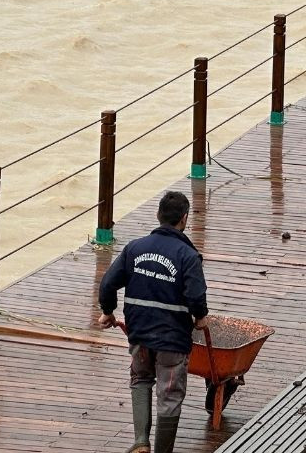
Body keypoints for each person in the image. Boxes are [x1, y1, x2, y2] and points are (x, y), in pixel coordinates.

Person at [99, 191, 209, 453]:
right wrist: (201, 317)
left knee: (140, 378)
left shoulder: (134, 248)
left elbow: (107, 283)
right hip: (172, 338)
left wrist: (108, 311)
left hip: (139, 333)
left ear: (159, 216)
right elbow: (196, 295)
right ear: (184, 219)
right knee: (169, 392)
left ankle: (141, 442)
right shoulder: (188, 256)